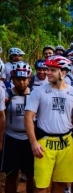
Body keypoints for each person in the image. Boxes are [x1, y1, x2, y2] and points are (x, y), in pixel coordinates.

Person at [24, 55, 73, 193]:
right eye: (48, 69)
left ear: (63, 73)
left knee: (60, 184)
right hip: (44, 142)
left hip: (67, 142)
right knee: (41, 186)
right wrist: (33, 142)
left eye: (52, 70)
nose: (47, 73)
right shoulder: (38, 91)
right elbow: (28, 117)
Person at [0, 62, 34, 193]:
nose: (21, 82)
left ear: (29, 78)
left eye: (24, 79)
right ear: (12, 79)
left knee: (31, 175)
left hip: (29, 139)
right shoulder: (7, 95)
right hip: (11, 137)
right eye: (18, 79)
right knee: (11, 175)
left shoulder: (35, 95)